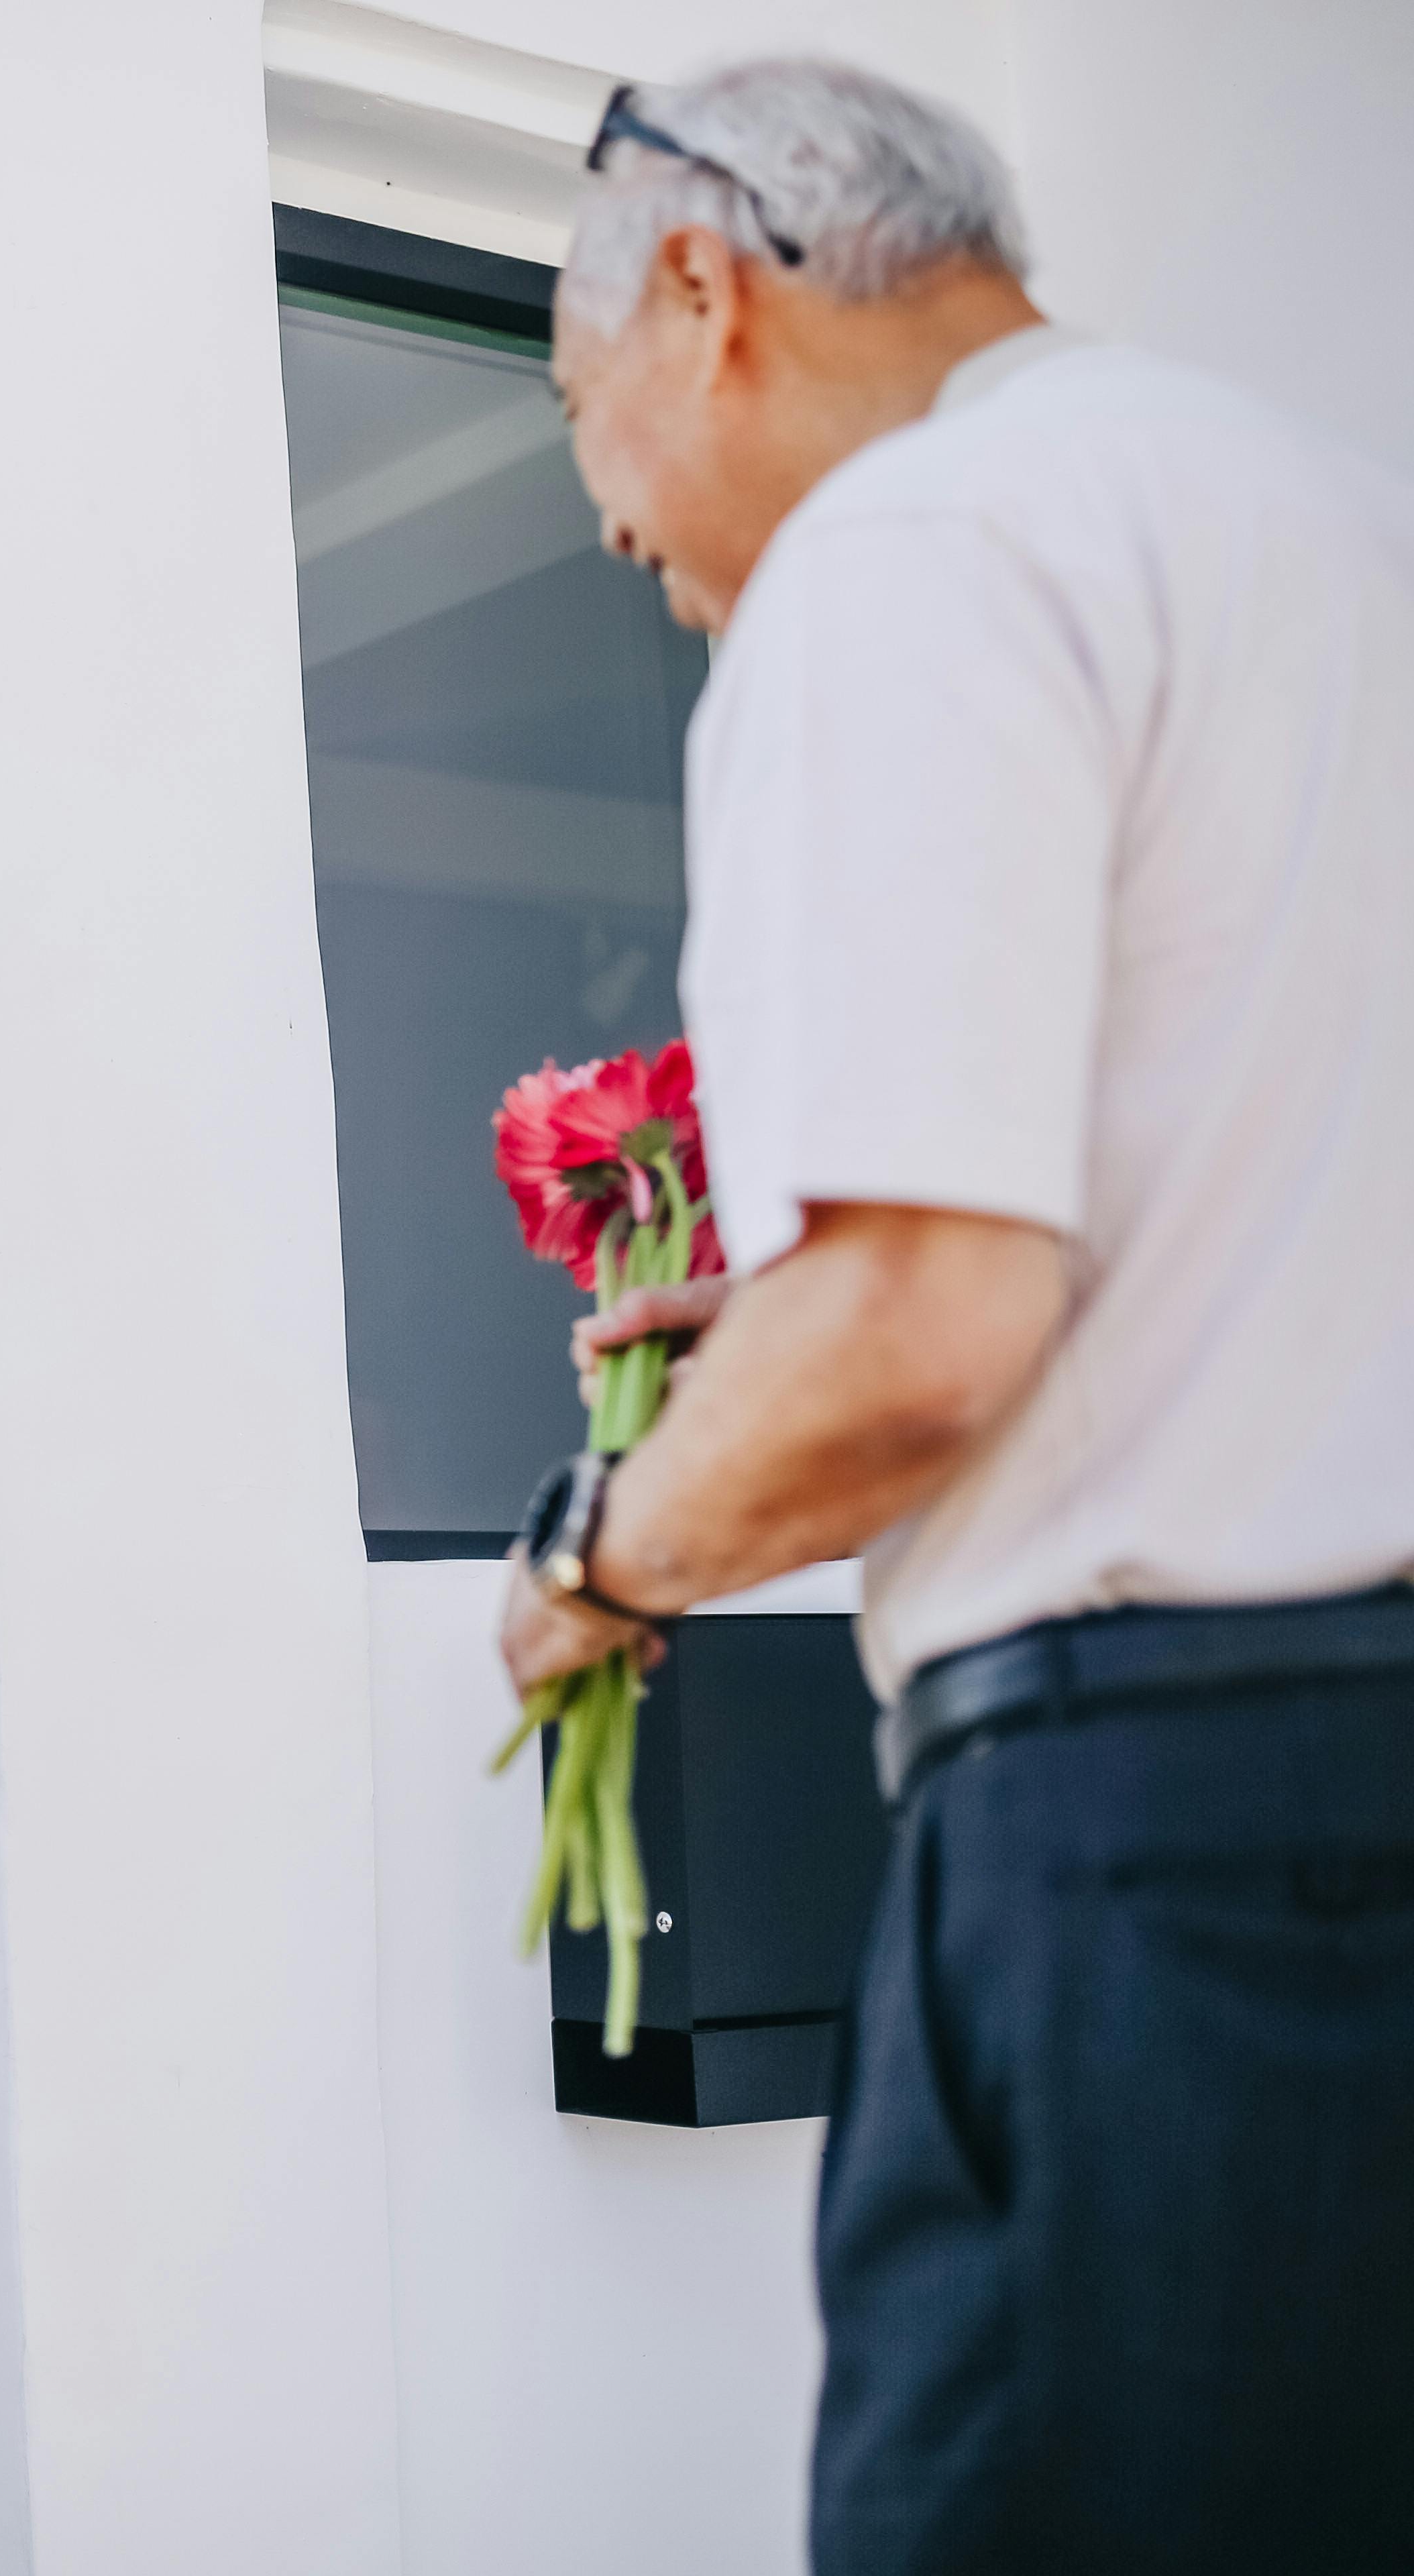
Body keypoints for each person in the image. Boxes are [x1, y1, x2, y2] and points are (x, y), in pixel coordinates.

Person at [496, 56, 1414, 2575]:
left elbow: (922, 1329)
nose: (604, 511)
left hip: (1180, 1851)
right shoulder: (1335, 524)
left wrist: (600, 1554)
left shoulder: (911, 553)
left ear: (707, 288)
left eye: (587, 418)